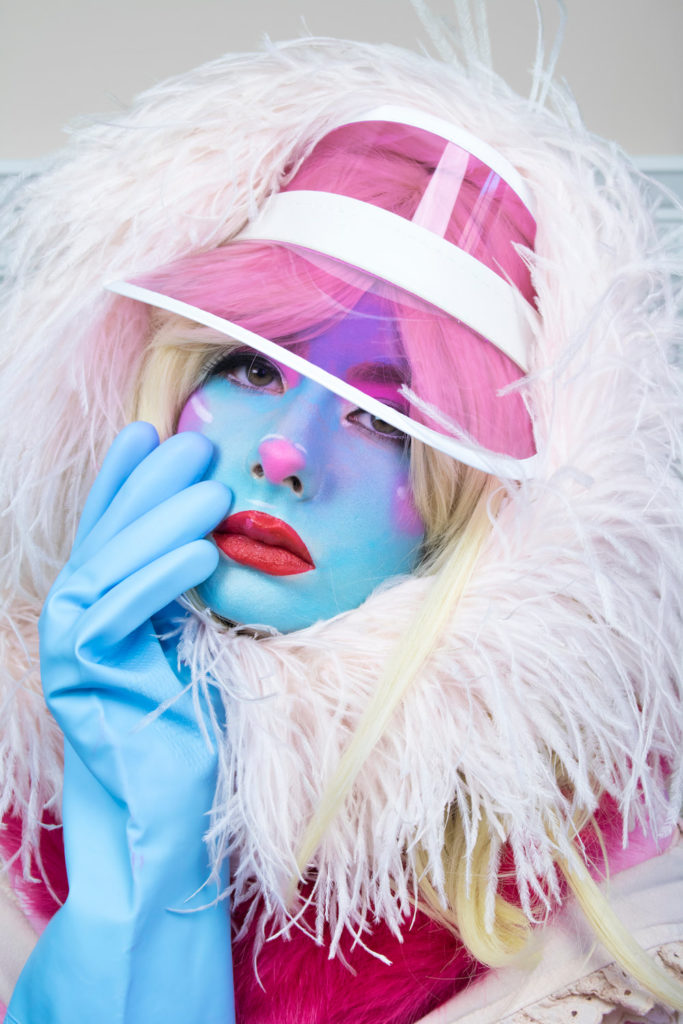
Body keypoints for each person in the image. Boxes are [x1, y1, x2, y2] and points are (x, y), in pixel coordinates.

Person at [1, 26, 682, 1024]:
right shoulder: (16, 800)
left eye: (384, 417)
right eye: (251, 365)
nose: (286, 452)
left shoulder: (608, 898)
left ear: (481, 512)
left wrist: (158, 857)